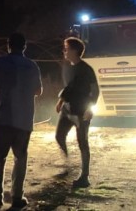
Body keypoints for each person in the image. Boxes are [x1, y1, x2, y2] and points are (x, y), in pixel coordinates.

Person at [0, 33, 42, 210]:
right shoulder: (32, 65)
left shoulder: (0, 62)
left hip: (3, 117)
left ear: (9, 45)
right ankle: (17, 197)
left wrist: (5, 86)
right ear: (24, 47)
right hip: (23, 119)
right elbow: (38, 90)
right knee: (20, 158)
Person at [55, 36, 100, 189]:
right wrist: (61, 101)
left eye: (66, 48)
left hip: (81, 111)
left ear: (74, 51)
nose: (64, 51)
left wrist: (90, 108)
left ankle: (84, 176)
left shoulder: (86, 69)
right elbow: (69, 86)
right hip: (67, 110)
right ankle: (68, 164)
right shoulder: (66, 67)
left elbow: (95, 90)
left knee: (83, 143)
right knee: (59, 136)